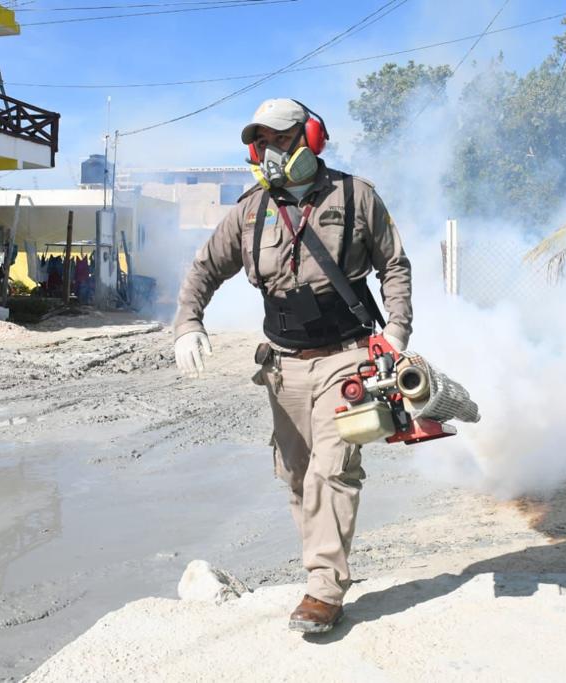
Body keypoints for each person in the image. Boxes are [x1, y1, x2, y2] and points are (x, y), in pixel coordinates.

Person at [172, 98, 413, 633]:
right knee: (298, 475)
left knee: (334, 469)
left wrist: (396, 329)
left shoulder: (356, 197)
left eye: (282, 139)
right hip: (282, 367)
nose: (273, 152)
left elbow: (393, 265)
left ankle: (324, 589)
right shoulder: (251, 209)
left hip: (346, 358)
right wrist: (188, 322)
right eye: (264, 143)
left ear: (312, 137)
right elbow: (205, 267)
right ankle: (320, 575)